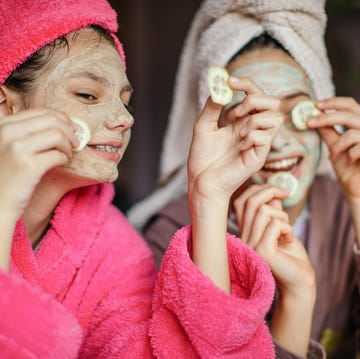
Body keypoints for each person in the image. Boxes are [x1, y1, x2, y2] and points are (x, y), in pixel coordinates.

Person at [0, 0, 289, 357]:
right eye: (87, 95)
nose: (124, 118)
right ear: (6, 105)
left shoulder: (110, 246)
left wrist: (208, 197)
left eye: (125, 101)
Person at [127, 0, 360, 358]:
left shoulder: (345, 211)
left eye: (296, 110)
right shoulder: (171, 237)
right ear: (217, 133)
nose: (278, 140)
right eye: (252, 116)